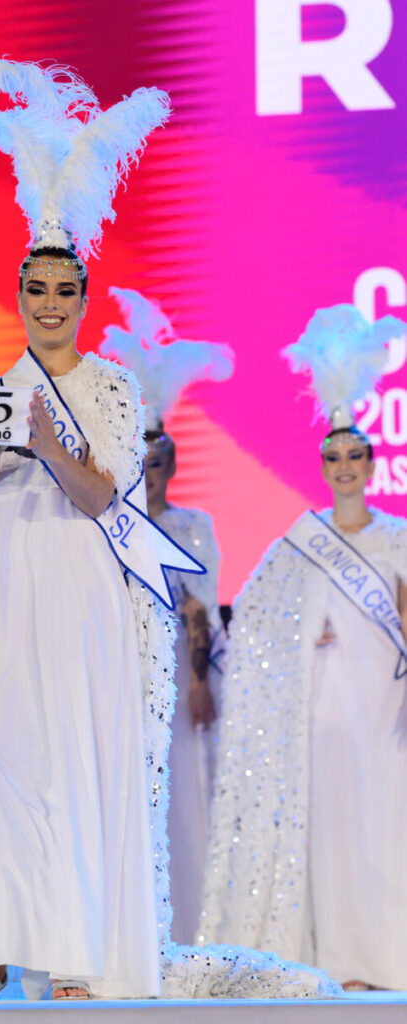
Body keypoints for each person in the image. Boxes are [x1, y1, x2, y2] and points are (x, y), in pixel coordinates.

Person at [0, 59, 338, 1003]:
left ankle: (73, 952)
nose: (51, 303)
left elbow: (108, 498)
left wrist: (51, 446)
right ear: (21, 292)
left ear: (82, 294)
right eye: (37, 288)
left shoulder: (110, 386)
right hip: (3, 596)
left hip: (79, 592)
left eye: (66, 289)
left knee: (72, 758)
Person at [199, 305, 407, 991]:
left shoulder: (398, 537)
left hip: (388, 712)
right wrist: (298, 628)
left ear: (373, 462)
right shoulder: (299, 543)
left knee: (388, 829)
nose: (345, 467)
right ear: (321, 465)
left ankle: (391, 955)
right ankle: (345, 963)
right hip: (321, 714)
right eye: (333, 458)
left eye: (355, 456)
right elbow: (253, 616)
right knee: (337, 837)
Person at [100, 286, 231, 946]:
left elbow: (202, 607)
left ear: (173, 466)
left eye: (160, 463)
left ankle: (187, 926)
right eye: (141, 463)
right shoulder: (109, 524)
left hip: (177, 676)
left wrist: (202, 680)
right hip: (120, 673)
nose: (150, 474)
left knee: (182, 791)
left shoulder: (193, 525)